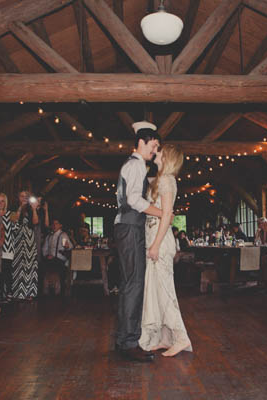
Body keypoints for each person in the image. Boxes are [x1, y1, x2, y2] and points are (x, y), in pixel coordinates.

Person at [114, 121, 164, 362]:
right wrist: (161, 212)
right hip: (130, 227)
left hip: (126, 227)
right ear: (142, 142)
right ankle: (130, 343)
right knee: (134, 284)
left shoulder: (133, 165)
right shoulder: (136, 165)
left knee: (128, 284)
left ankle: (124, 339)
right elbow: (134, 199)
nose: (154, 151)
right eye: (153, 146)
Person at [139, 144, 192, 357]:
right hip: (152, 236)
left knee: (164, 291)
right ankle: (163, 338)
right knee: (154, 291)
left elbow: (168, 214)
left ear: (167, 156)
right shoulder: (159, 179)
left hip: (160, 240)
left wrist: (155, 245)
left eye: (160, 150)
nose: (156, 152)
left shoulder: (167, 180)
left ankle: (181, 337)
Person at [10, 191, 39, 300]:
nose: (24, 198)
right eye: (22, 196)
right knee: (18, 265)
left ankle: (30, 292)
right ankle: (18, 292)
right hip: (18, 239)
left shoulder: (30, 209)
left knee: (30, 265)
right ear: (18, 197)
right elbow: (14, 220)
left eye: (26, 196)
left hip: (29, 239)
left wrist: (34, 209)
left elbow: (35, 222)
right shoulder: (14, 207)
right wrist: (20, 208)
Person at [41, 219, 73, 296]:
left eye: (57, 224)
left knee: (56, 268)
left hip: (59, 259)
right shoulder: (49, 236)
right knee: (42, 268)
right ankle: (46, 289)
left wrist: (67, 246)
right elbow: (44, 249)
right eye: (53, 224)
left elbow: (69, 247)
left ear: (60, 225)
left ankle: (58, 290)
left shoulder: (63, 235)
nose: (54, 225)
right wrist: (46, 255)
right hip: (49, 259)